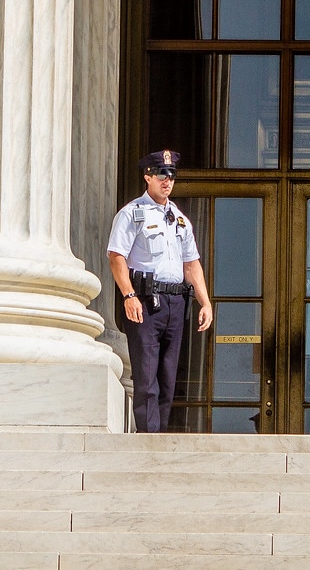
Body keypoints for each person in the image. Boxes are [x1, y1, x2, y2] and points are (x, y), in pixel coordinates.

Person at [107, 150, 213, 433]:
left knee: (168, 375)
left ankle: (160, 433)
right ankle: (148, 434)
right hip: (145, 300)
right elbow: (116, 256)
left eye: (171, 175)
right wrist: (128, 295)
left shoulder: (179, 218)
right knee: (146, 373)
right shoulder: (133, 214)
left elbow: (191, 264)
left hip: (175, 302)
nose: (167, 181)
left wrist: (205, 302)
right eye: (161, 174)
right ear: (148, 177)